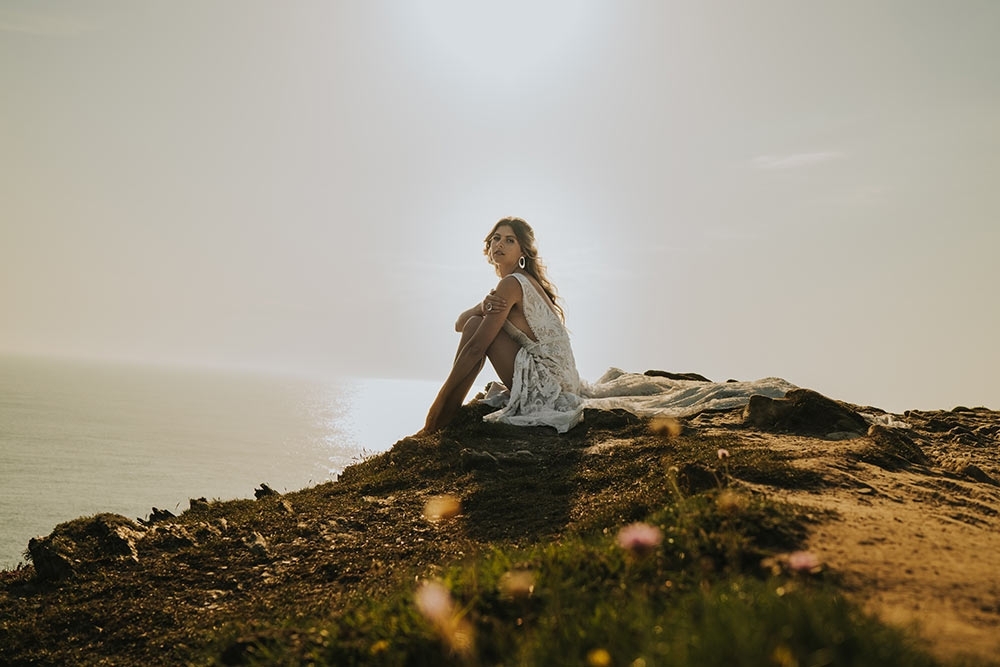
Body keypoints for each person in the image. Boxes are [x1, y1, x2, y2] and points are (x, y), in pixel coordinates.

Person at [422, 217, 585, 434]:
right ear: (488, 246)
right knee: (474, 324)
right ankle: (446, 413)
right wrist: (481, 306)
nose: (499, 244)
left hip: (550, 385)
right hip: (565, 381)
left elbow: (476, 348)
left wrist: (434, 408)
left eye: (510, 240)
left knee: (476, 334)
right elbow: (459, 324)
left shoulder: (512, 284)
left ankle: (440, 417)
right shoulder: (521, 280)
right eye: (496, 238)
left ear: (523, 252)